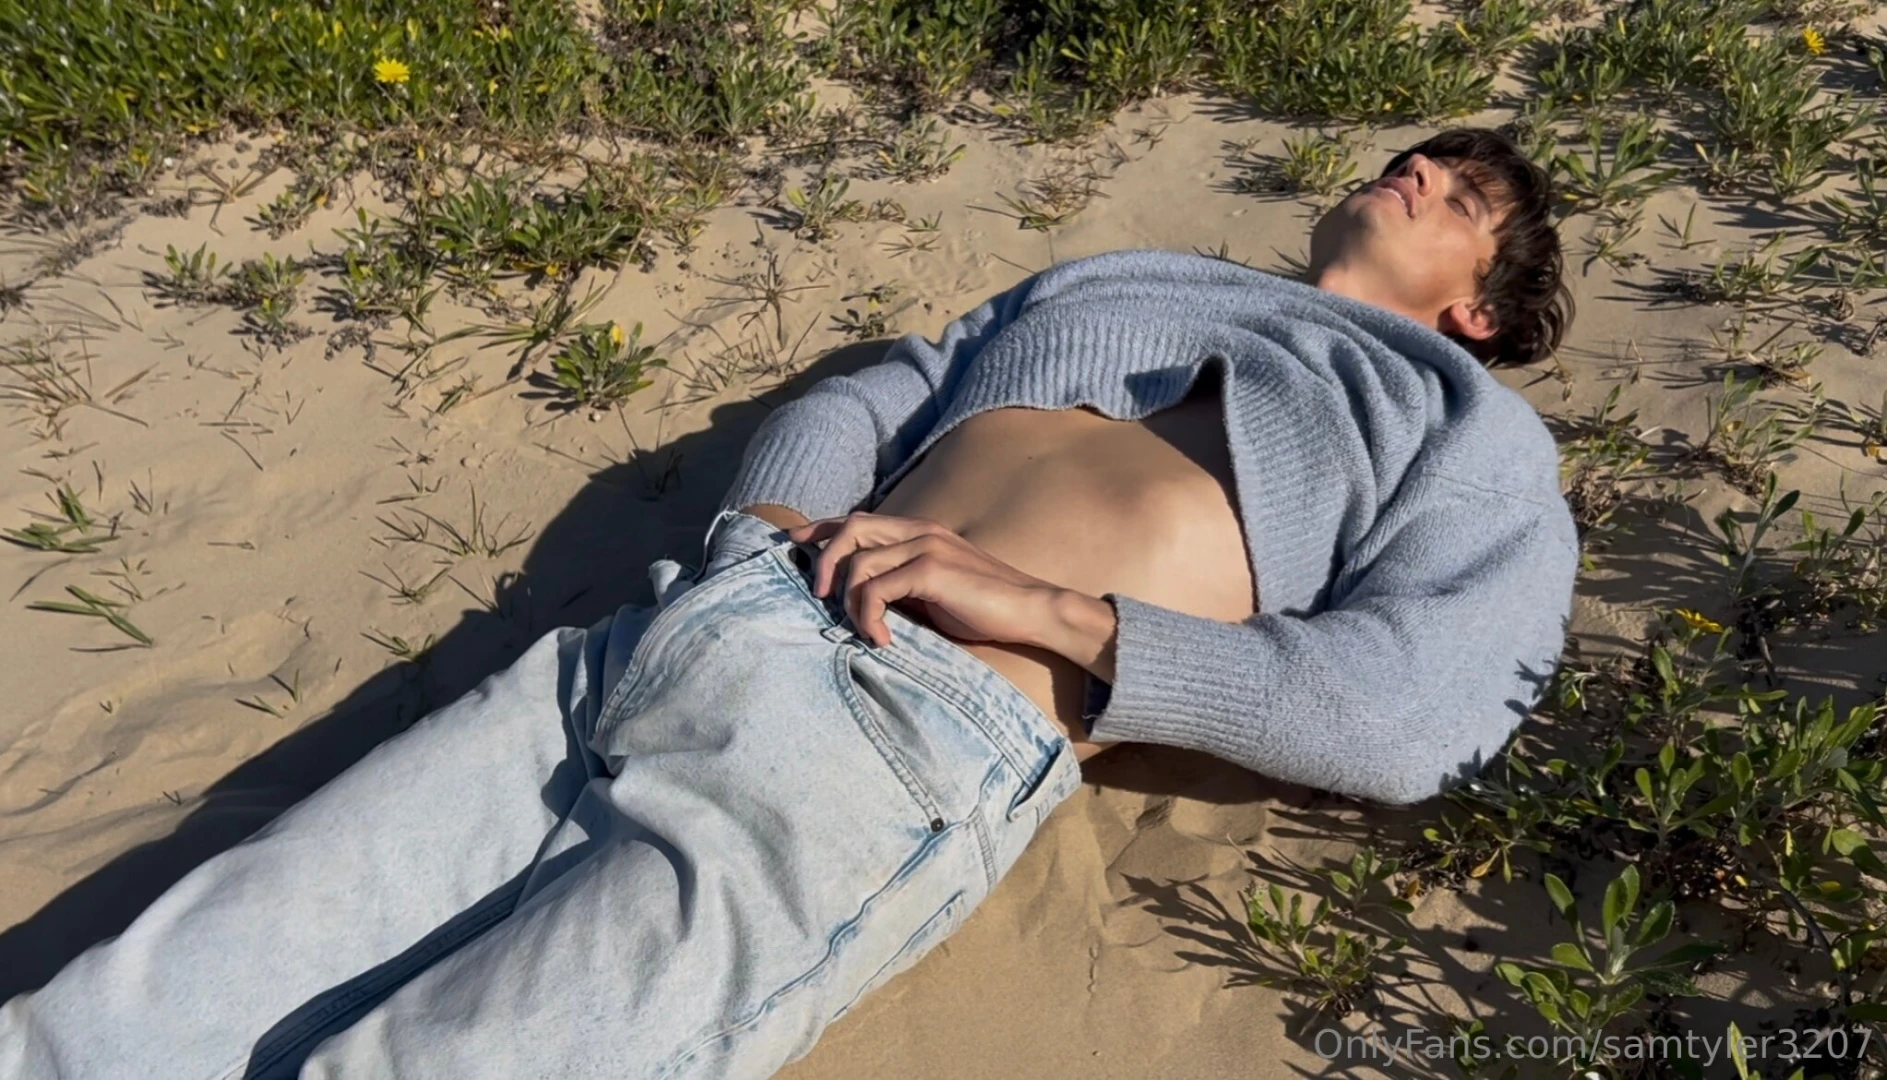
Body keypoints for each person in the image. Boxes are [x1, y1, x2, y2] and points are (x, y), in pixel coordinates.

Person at [0, 126, 1581, 1079]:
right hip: (706, 616)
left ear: (1475, 311)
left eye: (1462, 193)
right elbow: (898, 376)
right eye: (1424, 153)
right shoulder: (1127, 279)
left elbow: (1423, 714)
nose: (1421, 164)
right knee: (162, 986)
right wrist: (772, 510)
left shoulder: (1470, 434)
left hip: (922, 715)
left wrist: (1061, 620)